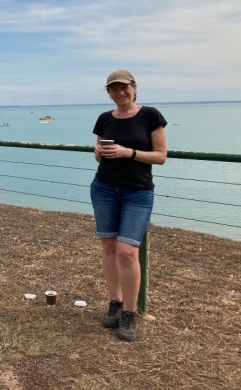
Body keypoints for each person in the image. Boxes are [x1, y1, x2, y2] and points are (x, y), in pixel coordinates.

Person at [90, 69, 167, 342]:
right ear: (109, 93)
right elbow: (99, 157)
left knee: (127, 251)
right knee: (109, 246)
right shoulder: (104, 119)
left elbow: (160, 157)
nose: (120, 93)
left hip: (138, 192)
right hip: (104, 188)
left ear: (134, 88)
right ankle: (115, 302)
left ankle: (131, 313)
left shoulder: (150, 115)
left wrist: (128, 152)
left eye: (124, 88)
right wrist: (100, 153)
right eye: (114, 89)